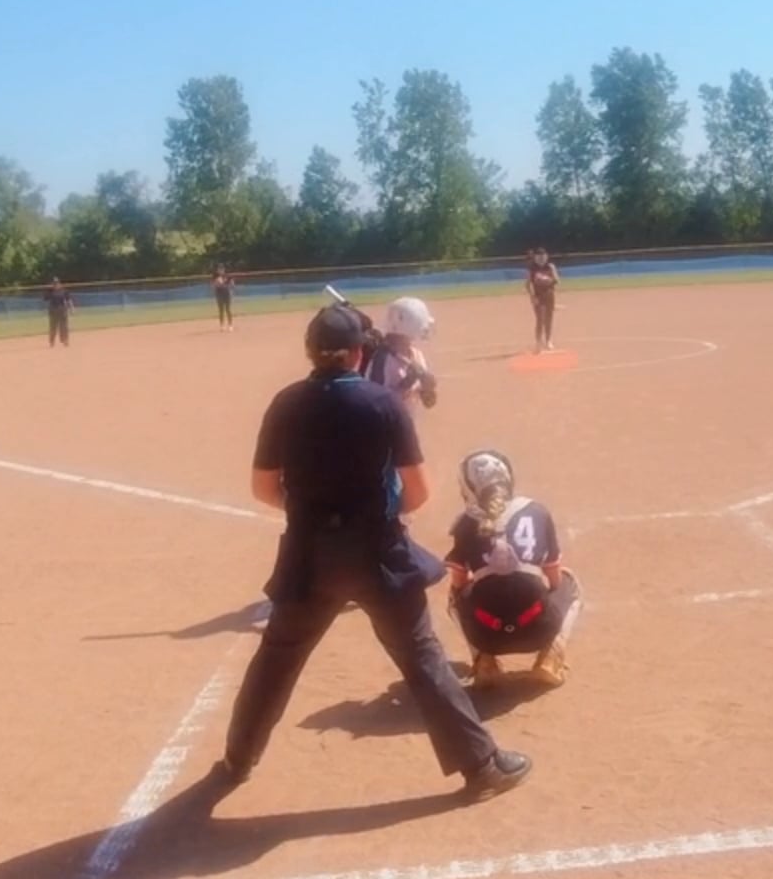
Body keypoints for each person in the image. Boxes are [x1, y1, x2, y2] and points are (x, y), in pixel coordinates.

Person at [210, 305, 532, 801]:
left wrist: (310, 511)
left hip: (307, 558)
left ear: (310, 352)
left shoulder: (286, 403)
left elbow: (263, 488)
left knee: (275, 660)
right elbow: (417, 492)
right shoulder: (382, 403)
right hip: (377, 555)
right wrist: (374, 513)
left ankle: (238, 760)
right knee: (422, 657)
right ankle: (482, 766)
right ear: (358, 353)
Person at [445, 449, 580, 689]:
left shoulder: (464, 523)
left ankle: (484, 661)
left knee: (454, 595)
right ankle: (551, 656)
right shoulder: (537, 510)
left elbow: (459, 585)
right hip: (539, 629)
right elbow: (554, 578)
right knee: (569, 583)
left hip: (486, 635)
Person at [365, 296, 438, 409]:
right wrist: (407, 382)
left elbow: (429, 403)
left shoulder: (416, 355)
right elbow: (377, 404)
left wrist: (428, 387)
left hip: (408, 419)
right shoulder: (381, 360)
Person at [525, 248, 559, 353]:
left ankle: (548, 341)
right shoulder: (532, 268)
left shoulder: (550, 266)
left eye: (543, 256)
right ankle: (538, 342)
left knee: (549, 319)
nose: (541, 259)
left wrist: (547, 280)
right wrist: (532, 297)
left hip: (549, 295)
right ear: (535, 257)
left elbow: (557, 280)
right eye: (539, 257)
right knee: (540, 320)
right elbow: (527, 285)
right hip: (538, 296)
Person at [45, 278, 74, 347]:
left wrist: (72, 308)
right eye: (54, 283)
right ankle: (52, 341)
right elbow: (45, 299)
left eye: (57, 283)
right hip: (53, 310)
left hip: (62, 310)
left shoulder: (64, 291)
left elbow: (68, 299)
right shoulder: (50, 291)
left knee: (64, 326)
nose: (55, 285)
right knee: (53, 327)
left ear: (59, 283)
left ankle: (65, 340)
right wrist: (48, 290)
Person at [212, 264, 236, 332]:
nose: (220, 270)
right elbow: (214, 285)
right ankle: (222, 326)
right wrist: (218, 284)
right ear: (217, 270)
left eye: (221, 269)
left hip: (227, 294)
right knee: (221, 310)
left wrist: (229, 287)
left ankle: (230, 325)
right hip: (219, 295)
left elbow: (232, 285)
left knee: (228, 310)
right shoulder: (215, 276)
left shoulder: (228, 276)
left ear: (224, 269)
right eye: (219, 269)